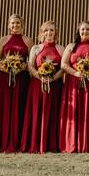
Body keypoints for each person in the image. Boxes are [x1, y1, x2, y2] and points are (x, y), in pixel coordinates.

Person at [0, 13, 33, 153]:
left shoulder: (28, 41)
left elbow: (30, 61)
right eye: (12, 23)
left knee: (19, 108)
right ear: (8, 25)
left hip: (22, 79)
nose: (15, 25)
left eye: (18, 23)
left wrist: (19, 68)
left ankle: (19, 141)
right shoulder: (3, 39)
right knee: (3, 109)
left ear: (22, 25)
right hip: (4, 80)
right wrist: (6, 68)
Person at [59, 20, 89, 153]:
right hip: (73, 82)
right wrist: (76, 73)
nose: (85, 32)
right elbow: (64, 64)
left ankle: (87, 144)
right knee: (73, 111)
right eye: (82, 29)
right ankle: (71, 144)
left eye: (88, 29)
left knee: (88, 111)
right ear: (78, 31)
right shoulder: (71, 46)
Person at [20, 20, 64, 153]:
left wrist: (52, 78)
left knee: (53, 112)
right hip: (37, 86)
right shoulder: (36, 48)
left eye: (51, 30)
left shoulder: (61, 48)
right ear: (42, 33)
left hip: (55, 85)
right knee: (37, 112)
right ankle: (34, 143)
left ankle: (51, 144)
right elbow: (30, 66)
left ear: (56, 32)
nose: (49, 33)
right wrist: (41, 77)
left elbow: (63, 68)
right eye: (46, 30)